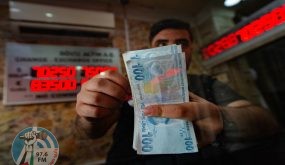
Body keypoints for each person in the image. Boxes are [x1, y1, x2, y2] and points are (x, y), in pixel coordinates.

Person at [75, 19, 279, 164]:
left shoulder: (206, 83)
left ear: (191, 50)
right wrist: (90, 113)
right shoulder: (128, 87)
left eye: (181, 43)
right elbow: (92, 131)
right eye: (162, 44)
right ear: (151, 48)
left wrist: (221, 117)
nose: (172, 50)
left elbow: (266, 122)